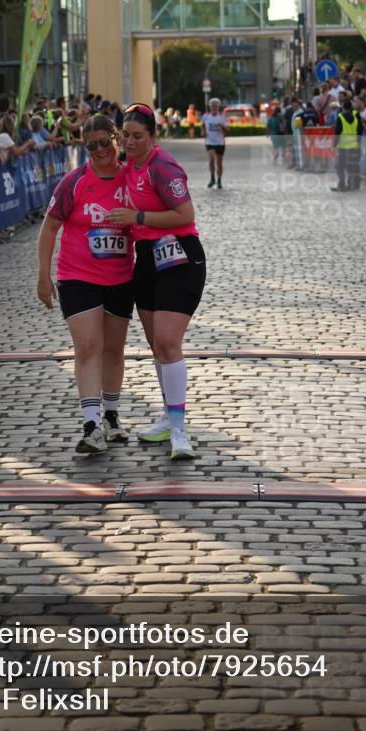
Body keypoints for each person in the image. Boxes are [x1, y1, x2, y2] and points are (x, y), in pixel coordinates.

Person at [106, 104, 206, 460]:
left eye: (138, 137)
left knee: (168, 341)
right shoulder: (127, 166)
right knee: (156, 345)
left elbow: (185, 214)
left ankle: (180, 429)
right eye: (126, 136)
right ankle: (168, 415)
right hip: (146, 259)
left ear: (152, 137)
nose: (130, 142)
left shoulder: (162, 166)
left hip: (180, 256)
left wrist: (138, 216)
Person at [36, 115, 133, 455]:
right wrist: (43, 275)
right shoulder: (74, 182)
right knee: (88, 346)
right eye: (91, 146)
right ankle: (91, 424)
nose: (99, 151)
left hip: (121, 278)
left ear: (116, 139)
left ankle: (111, 416)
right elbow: (49, 228)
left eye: (104, 142)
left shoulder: (131, 179)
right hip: (77, 275)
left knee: (113, 348)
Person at [331, 98, 363, 192]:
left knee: (339, 165)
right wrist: (359, 142)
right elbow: (360, 130)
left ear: (343, 107)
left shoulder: (340, 117)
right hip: (354, 145)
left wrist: (334, 145)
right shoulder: (356, 115)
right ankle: (354, 184)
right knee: (353, 165)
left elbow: (337, 133)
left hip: (343, 146)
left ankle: (342, 184)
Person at [201, 98, 230, 189]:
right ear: (210, 107)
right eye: (212, 106)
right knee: (211, 159)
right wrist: (203, 132)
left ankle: (219, 180)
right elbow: (202, 125)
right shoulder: (206, 116)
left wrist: (222, 126)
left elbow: (228, 130)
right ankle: (212, 177)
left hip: (220, 142)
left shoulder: (222, 117)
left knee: (219, 162)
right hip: (209, 141)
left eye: (216, 106)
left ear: (218, 107)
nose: (214, 107)